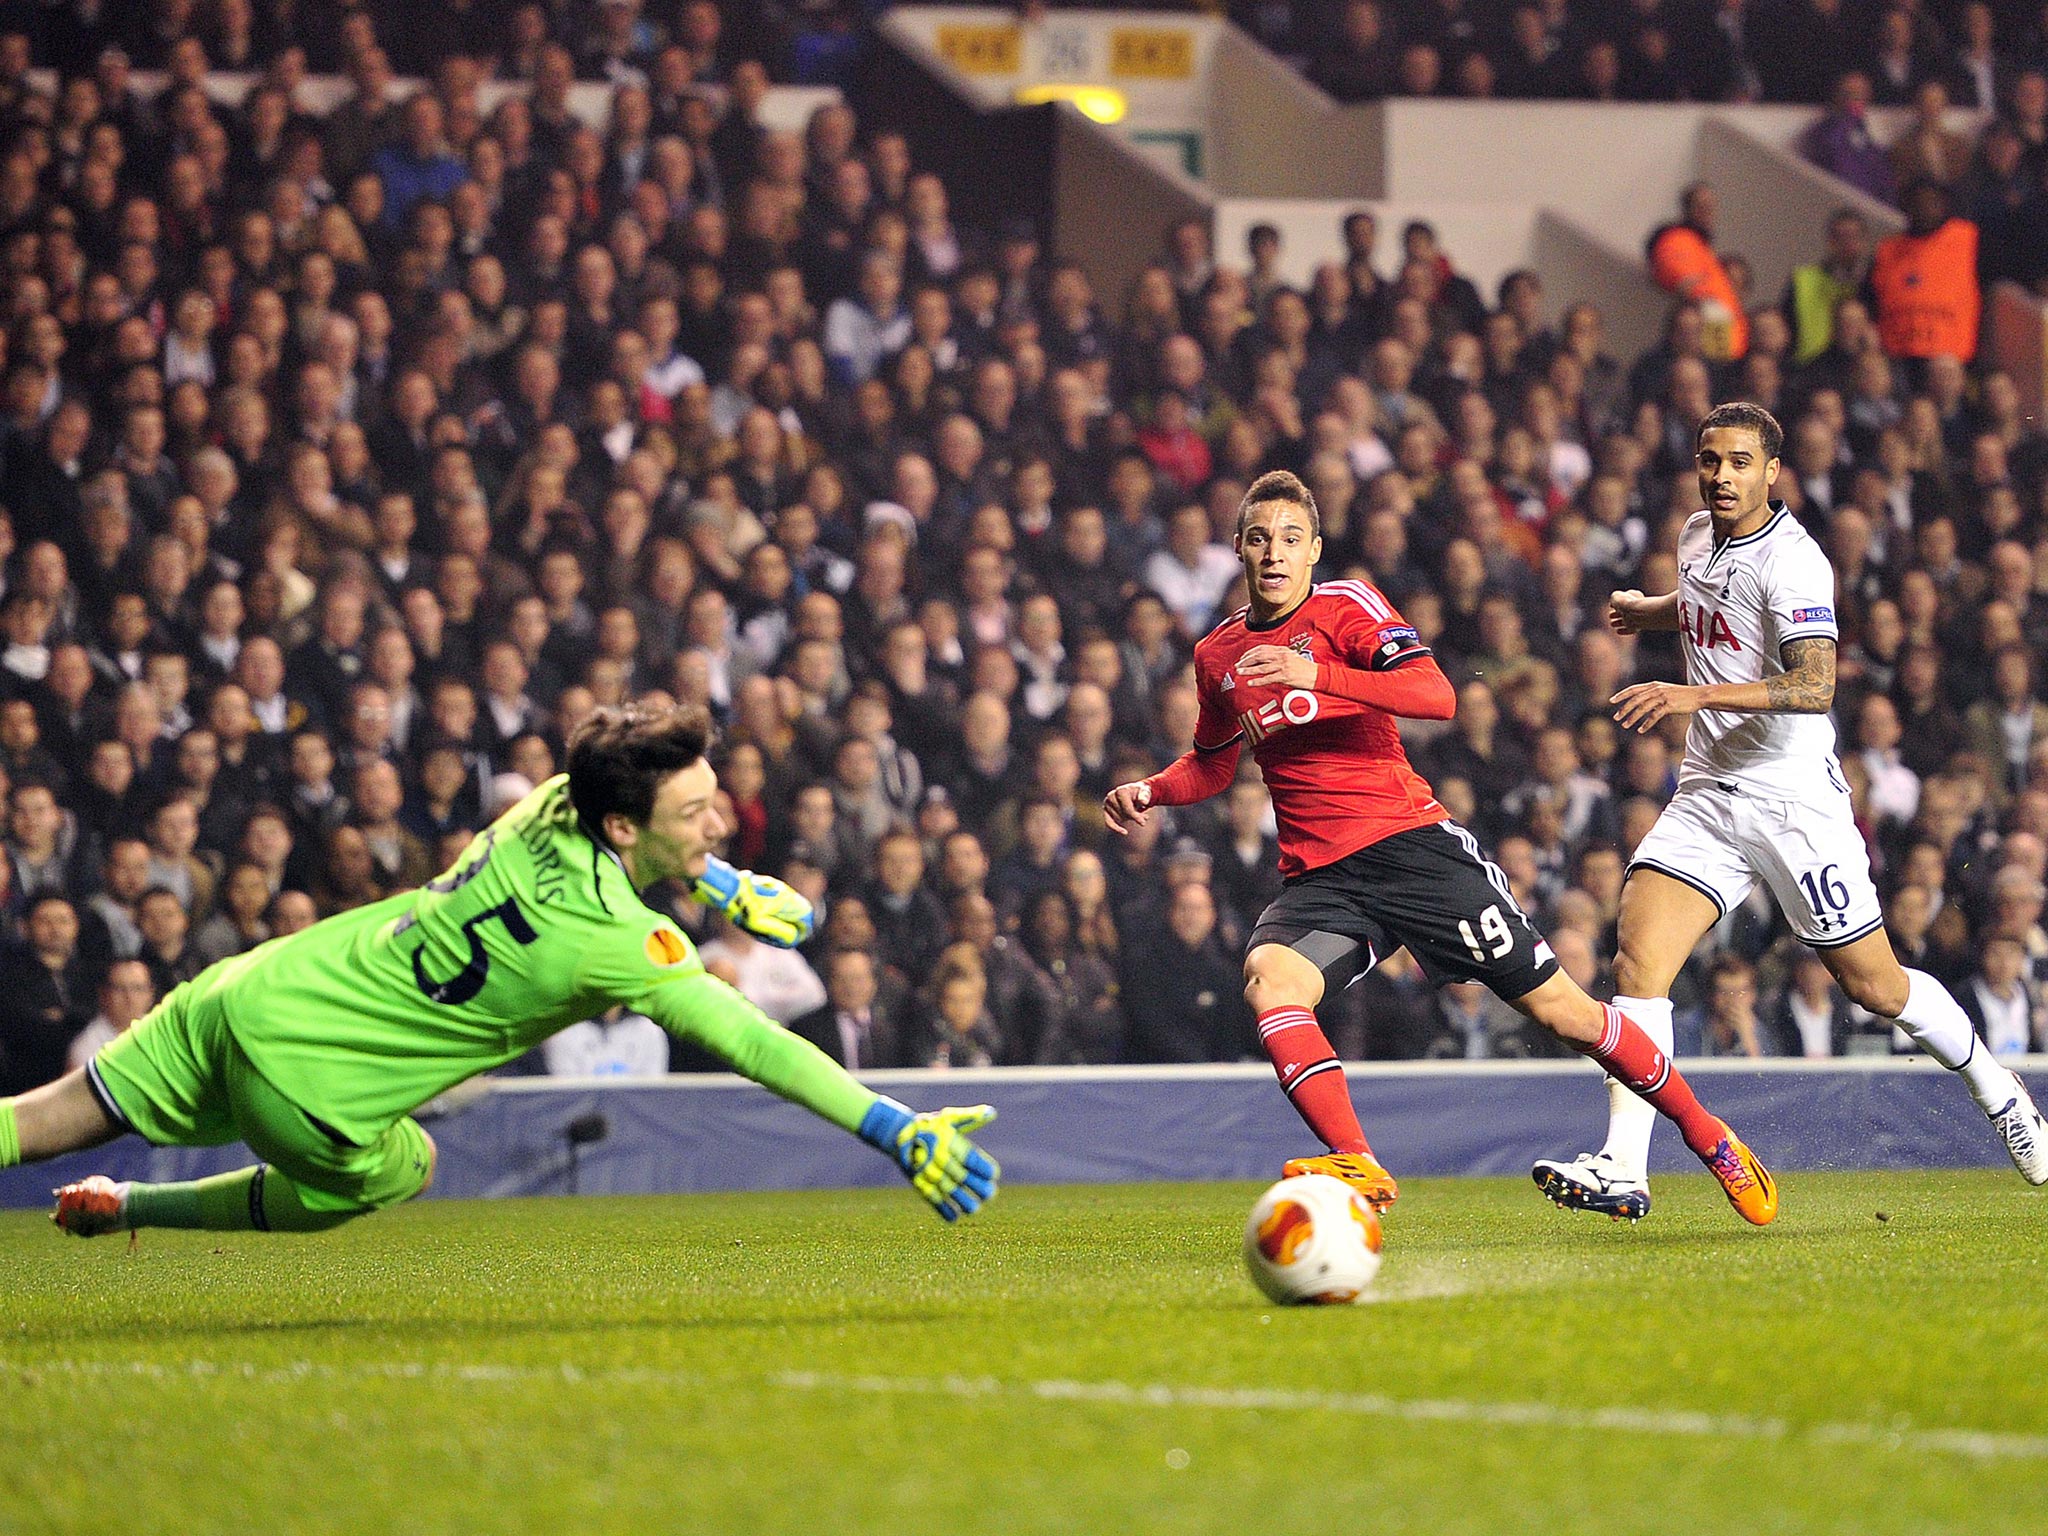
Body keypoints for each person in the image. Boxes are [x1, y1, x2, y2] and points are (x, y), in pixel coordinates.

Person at [5, 706, 999, 1235]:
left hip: (251, 992)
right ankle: (138, 1208)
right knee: (401, 1168)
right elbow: (754, 1043)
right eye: (696, 812)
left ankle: (100, 1193)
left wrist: (719, 879)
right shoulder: (623, 946)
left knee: (39, 1119)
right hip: (310, 1098)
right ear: (622, 825)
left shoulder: (548, 802)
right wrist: (890, 1124)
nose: (718, 819)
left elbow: (623, 814)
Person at [1103, 470, 1779, 1222]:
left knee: (1565, 1013)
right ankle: (1357, 1163)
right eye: (1259, 538)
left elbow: (1438, 696)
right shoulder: (1218, 653)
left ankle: (1708, 1134)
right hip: (1324, 881)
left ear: (1314, 550)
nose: (1274, 553)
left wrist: (1317, 673)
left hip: (1413, 850)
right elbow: (1213, 762)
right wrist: (1152, 790)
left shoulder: (1345, 608)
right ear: (1236, 548)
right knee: (1271, 980)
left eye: (1291, 539)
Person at [1533, 403, 2047, 1220]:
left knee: (1874, 984)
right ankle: (1624, 1166)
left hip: (1793, 798)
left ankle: (2000, 1090)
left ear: (1773, 471)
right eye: (1710, 460)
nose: (1722, 475)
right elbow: (1715, 600)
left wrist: (1687, 693)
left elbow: (1815, 685)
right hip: (1708, 790)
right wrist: (1654, 609)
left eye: (1740, 462)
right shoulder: (1698, 534)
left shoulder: (1800, 563)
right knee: (1638, 961)